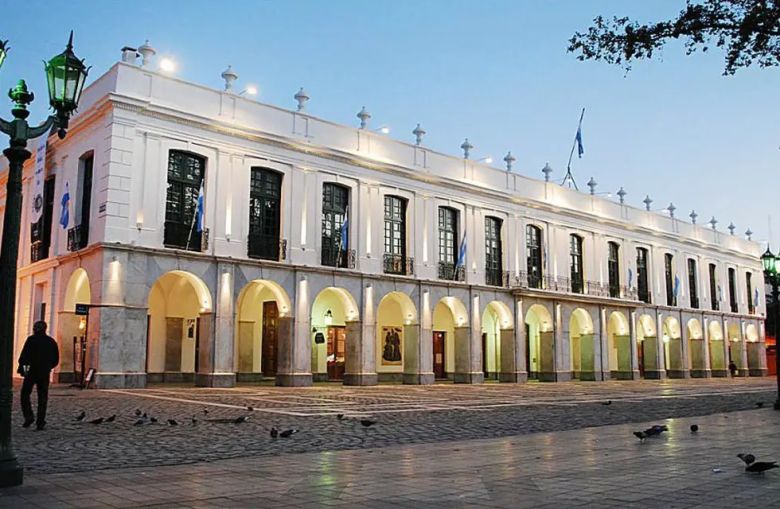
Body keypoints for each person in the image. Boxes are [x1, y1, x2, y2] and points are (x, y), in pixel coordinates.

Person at [18, 321, 59, 431]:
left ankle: (29, 416)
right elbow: (56, 359)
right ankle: (40, 421)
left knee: (25, 394)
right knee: (43, 397)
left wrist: (24, 368)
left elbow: (24, 357)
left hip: (32, 371)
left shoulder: (31, 340)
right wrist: (49, 367)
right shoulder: (51, 341)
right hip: (44, 372)